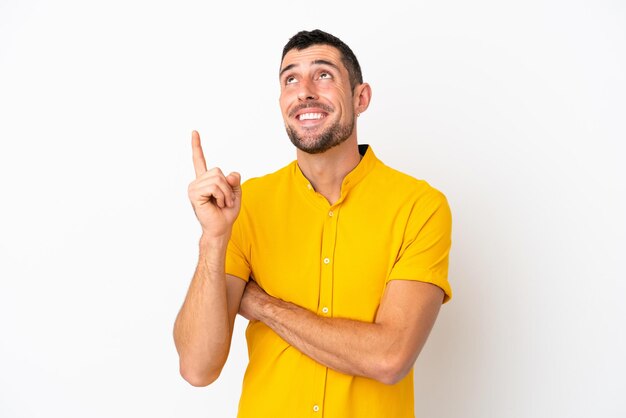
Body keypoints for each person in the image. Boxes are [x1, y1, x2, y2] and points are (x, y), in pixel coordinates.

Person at [173, 29, 452, 418]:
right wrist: (213, 237)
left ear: (361, 97)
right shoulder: (244, 206)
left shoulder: (419, 207)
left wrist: (263, 305)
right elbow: (197, 368)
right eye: (290, 78)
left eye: (323, 74)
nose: (304, 90)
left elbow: (389, 357)